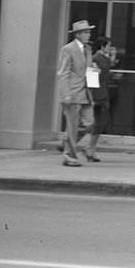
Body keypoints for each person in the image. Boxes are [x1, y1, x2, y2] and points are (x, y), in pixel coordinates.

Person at [56, 19, 94, 167]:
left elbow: (89, 71)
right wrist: (65, 94)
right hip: (72, 93)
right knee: (72, 125)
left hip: (85, 93)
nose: (88, 35)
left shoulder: (88, 49)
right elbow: (63, 72)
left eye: (89, 32)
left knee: (90, 123)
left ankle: (66, 141)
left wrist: (93, 87)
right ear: (77, 34)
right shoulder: (68, 49)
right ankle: (69, 156)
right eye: (85, 32)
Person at [83, 37, 118, 162]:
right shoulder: (95, 59)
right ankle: (85, 146)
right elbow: (91, 78)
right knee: (98, 122)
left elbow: (110, 66)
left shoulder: (104, 59)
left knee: (101, 122)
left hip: (103, 93)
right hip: (98, 95)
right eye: (108, 46)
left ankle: (90, 148)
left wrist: (113, 56)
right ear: (102, 46)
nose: (110, 48)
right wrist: (92, 97)